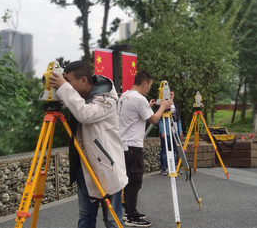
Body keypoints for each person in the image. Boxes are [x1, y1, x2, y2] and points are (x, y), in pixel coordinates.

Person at [49, 61, 128, 228]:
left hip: (107, 167)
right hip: (84, 168)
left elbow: (85, 114)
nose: (65, 84)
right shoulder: (80, 97)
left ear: (83, 80)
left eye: (68, 80)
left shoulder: (106, 98)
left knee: (112, 220)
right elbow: (75, 104)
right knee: (85, 218)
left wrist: (64, 89)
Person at [117, 71, 171, 227]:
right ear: (145, 83)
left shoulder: (125, 96)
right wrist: (163, 107)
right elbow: (154, 119)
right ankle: (131, 215)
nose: (149, 89)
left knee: (129, 180)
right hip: (133, 145)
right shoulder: (139, 98)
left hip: (123, 144)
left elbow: (133, 116)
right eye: (150, 85)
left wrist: (148, 107)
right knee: (134, 181)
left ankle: (130, 211)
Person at [157, 90, 183, 176]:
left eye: (172, 94)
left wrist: (180, 130)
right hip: (166, 131)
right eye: (169, 94)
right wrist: (162, 131)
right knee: (164, 150)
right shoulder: (162, 106)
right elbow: (160, 119)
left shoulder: (175, 106)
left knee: (174, 150)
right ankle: (164, 168)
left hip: (175, 131)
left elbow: (178, 119)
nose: (170, 96)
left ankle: (174, 167)